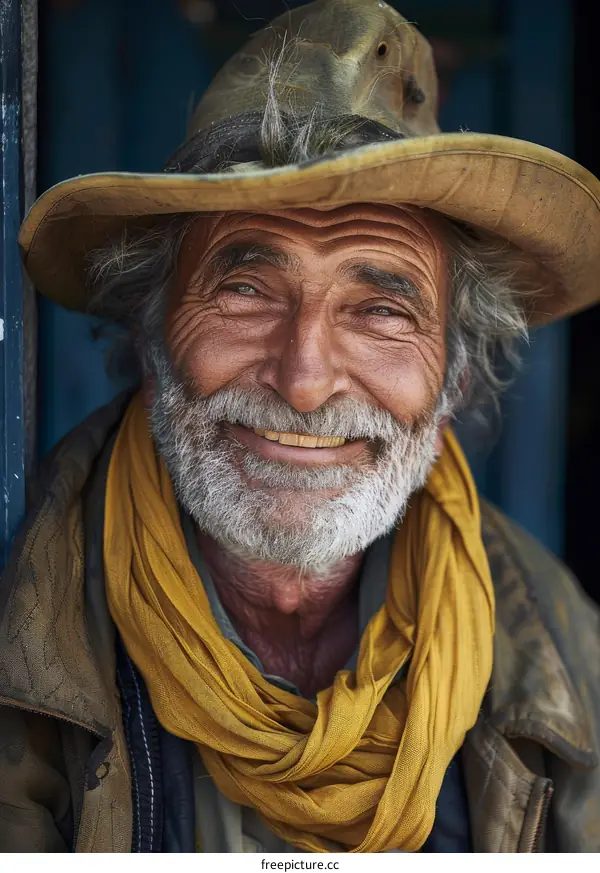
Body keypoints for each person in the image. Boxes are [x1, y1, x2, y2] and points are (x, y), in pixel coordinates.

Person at [1, 0, 600, 854]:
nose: (306, 380)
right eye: (246, 291)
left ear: (453, 374)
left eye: (382, 309)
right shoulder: (21, 635)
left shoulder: (566, 660)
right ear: (153, 330)